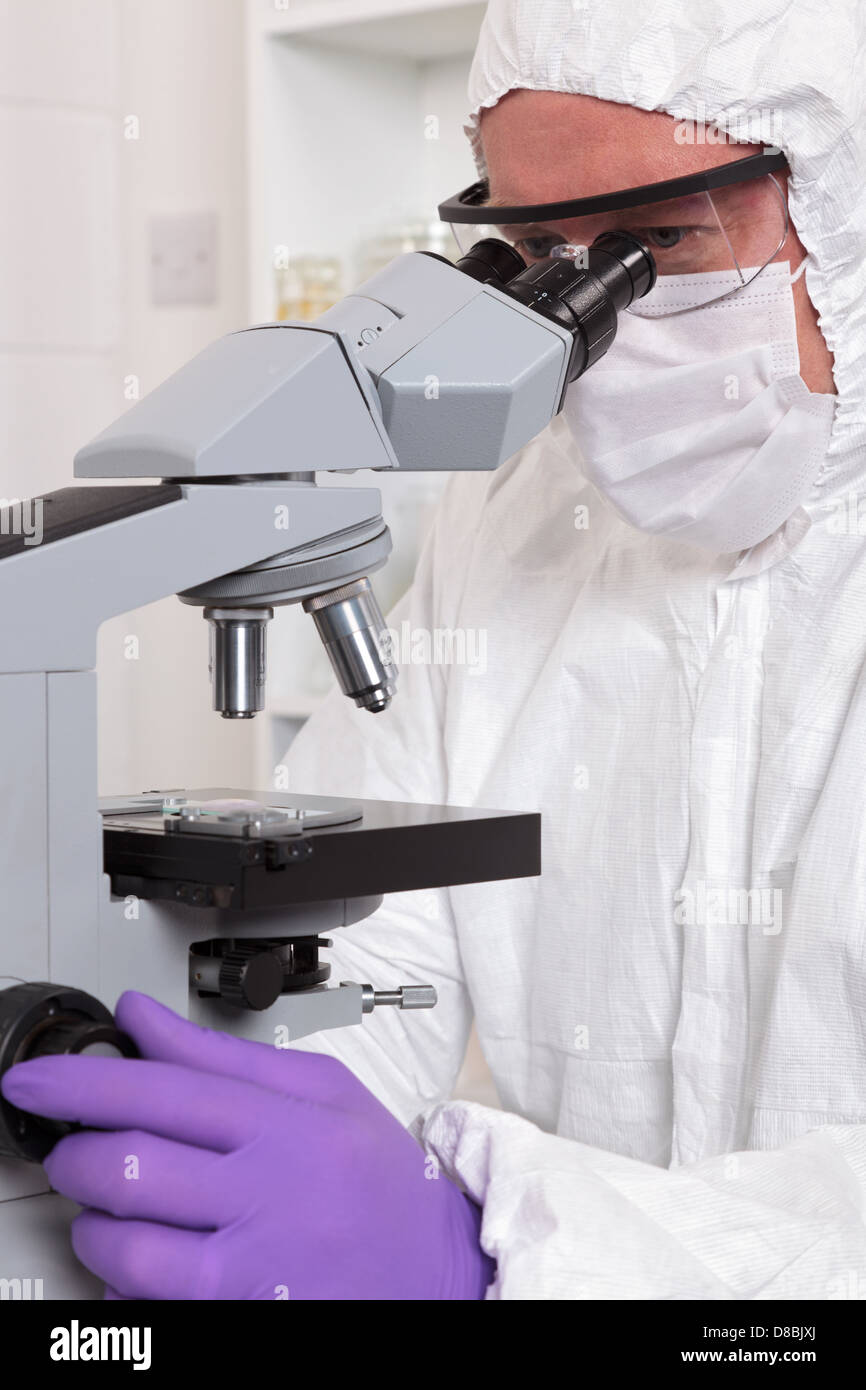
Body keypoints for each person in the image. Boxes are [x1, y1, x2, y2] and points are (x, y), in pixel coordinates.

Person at [4, 0, 866, 1299]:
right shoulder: (515, 508)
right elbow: (372, 955)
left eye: (663, 245)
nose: (599, 329)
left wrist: (496, 1248)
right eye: (535, 251)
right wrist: (225, 1124)